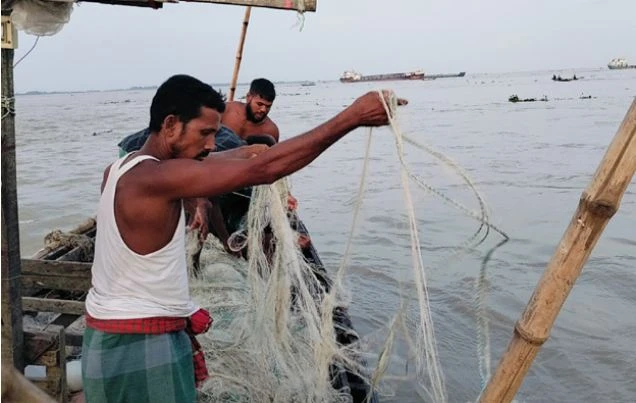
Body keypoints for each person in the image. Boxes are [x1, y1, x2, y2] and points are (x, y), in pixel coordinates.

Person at [81, 74, 404, 402]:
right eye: (205, 133)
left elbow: (226, 162)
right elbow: (264, 170)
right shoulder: (154, 180)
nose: (210, 144)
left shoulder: (121, 168)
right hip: (138, 343)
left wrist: (247, 152)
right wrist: (353, 117)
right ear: (170, 125)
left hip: (112, 335)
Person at [222, 78, 280, 142]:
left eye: (268, 106)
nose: (264, 110)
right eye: (259, 104)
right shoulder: (226, 110)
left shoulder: (271, 131)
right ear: (248, 97)